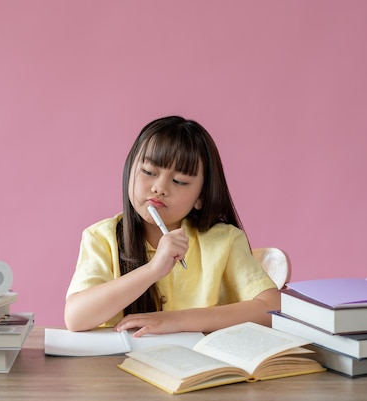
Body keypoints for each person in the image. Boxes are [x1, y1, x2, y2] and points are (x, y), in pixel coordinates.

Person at [64, 116, 280, 337]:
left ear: (201, 197)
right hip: (119, 368)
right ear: (130, 171)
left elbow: (273, 308)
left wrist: (176, 320)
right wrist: (153, 269)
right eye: (148, 172)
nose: (159, 188)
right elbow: (76, 317)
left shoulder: (224, 240)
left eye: (179, 181)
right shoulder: (102, 237)